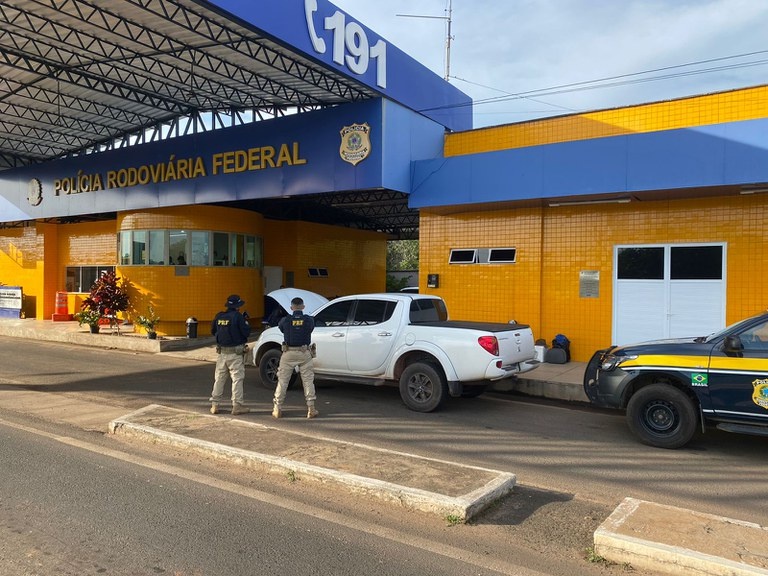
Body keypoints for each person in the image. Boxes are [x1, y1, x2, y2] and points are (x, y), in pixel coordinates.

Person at [273, 297, 318, 418]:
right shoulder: (309, 320)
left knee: (283, 381)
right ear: (303, 307)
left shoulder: (285, 320)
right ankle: (311, 408)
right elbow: (311, 329)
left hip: (288, 352)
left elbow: (281, 328)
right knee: (308, 380)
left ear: (291, 308)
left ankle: (277, 408)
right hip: (304, 353)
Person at [209, 294, 251, 415]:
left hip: (222, 353)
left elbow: (213, 331)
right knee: (237, 379)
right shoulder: (238, 317)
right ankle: (237, 406)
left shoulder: (219, 316)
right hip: (235, 354)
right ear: (238, 307)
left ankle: (215, 405)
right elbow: (246, 332)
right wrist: (245, 322)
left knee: (219, 379)